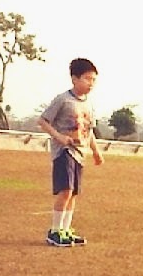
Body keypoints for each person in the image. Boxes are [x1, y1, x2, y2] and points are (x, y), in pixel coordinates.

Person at [37, 57, 104, 245]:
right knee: (65, 191)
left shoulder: (89, 104)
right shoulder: (63, 100)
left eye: (93, 80)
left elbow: (89, 131)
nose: (91, 83)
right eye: (87, 78)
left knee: (73, 193)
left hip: (80, 154)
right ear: (74, 79)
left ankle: (65, 230)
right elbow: (43, 121)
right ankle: (55, 231)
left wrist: (96, 151)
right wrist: (59, 137)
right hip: (64, 152)